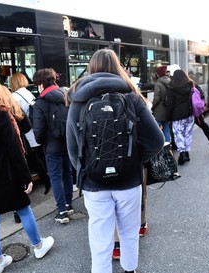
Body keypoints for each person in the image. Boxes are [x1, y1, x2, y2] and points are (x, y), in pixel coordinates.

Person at [66, 49, 164, 273]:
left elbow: (72, 148)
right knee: (129, 234)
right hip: (129, 182)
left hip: (94, 183)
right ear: (118, 67)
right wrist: (135, 160)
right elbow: (157, 141)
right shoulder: (131, 96)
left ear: (91, 68)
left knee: (100, 242)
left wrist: (87, 169)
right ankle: (130, 270)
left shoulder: (78, 99)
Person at [0, 77, 54, 273]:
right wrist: (26, 177)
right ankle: (38, 246)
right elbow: (16, 151)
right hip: (8, 176)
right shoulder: (2, 116)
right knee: (24, 210)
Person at [31, 68, 74, 224]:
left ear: (41, 84)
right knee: (67, 173)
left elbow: (39, 131)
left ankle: (62, 211)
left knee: (55, 177)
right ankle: (69, 205)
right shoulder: (67, 95)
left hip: (51, 146)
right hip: (68, 142)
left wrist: (41, 141)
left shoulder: (40, 103)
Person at [10, 73, 51, 196]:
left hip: (27, 131)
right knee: (39, 156)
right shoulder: (28, 93)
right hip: (35, 128)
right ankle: (47, 178)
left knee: (33, 157)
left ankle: (43, 179)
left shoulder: (14, 96)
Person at [166, 69, 195, 165]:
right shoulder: (190, 85)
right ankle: (187, 153)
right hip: (190, 114)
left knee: (179, 135)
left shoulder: (171, 87)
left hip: (177, 115)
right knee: (187, 134)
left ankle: (182, 154)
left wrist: (168, 117)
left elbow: (170, 104)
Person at [194, 84, 209, 151]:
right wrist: (201, 108)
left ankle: (183, 153)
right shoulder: (192, 85)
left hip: (184, 114)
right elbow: (201, 96)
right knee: (203, 125)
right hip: (194, 112)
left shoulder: (173, 86)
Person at [152, 65, 171, 142]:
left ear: (158, 74)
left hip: (159, 110)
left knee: (156, 128)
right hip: (168, 108)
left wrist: (152, 108)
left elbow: (157, 98)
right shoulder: (170, 81)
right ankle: (167, 146)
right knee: (166, 128)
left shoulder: (158, 83)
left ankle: (159, 146)